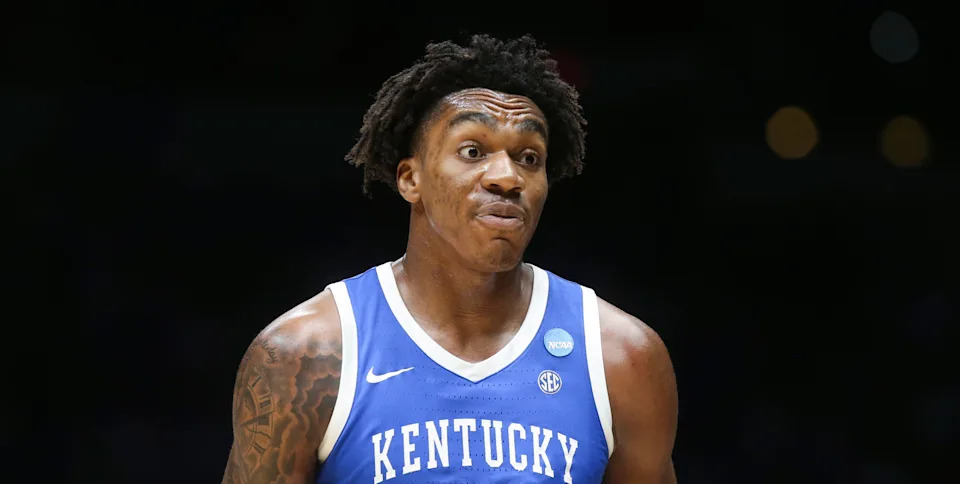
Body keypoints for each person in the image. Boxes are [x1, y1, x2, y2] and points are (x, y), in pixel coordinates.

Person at [222, 33, 678, 483]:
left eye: (529, 158)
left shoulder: (623, 358)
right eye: (473, 151)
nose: (506, 177)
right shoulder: (304, 357)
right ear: (410, 179)